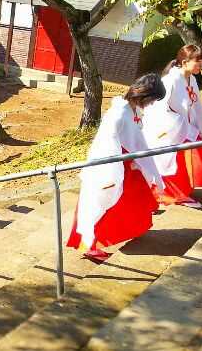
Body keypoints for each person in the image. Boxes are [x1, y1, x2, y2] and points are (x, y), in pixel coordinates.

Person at [67, 74, 167, 261]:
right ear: (145, 95)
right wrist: (114, 171)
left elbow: (136, 139)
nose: (152, 103)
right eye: (153, 99)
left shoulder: (132, 109)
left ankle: (128, 230)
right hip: (112, 166)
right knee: (101, 204)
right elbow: (107, 143)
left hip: (127, 163)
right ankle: (89, 243)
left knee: (134, 199)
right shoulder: (119, 113)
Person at [142, 45, 202, 208]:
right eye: (198, 61)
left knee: (191, 154)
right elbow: (158, 108)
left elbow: (197, 106)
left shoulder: (191, 79)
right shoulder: (170, 80)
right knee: (173, 161)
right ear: (185, 62)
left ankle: (182, 190)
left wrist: (200, 127)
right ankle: (174, 194)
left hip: (185, 127)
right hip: (169, 129)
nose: (201, 64)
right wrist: (182, 127)